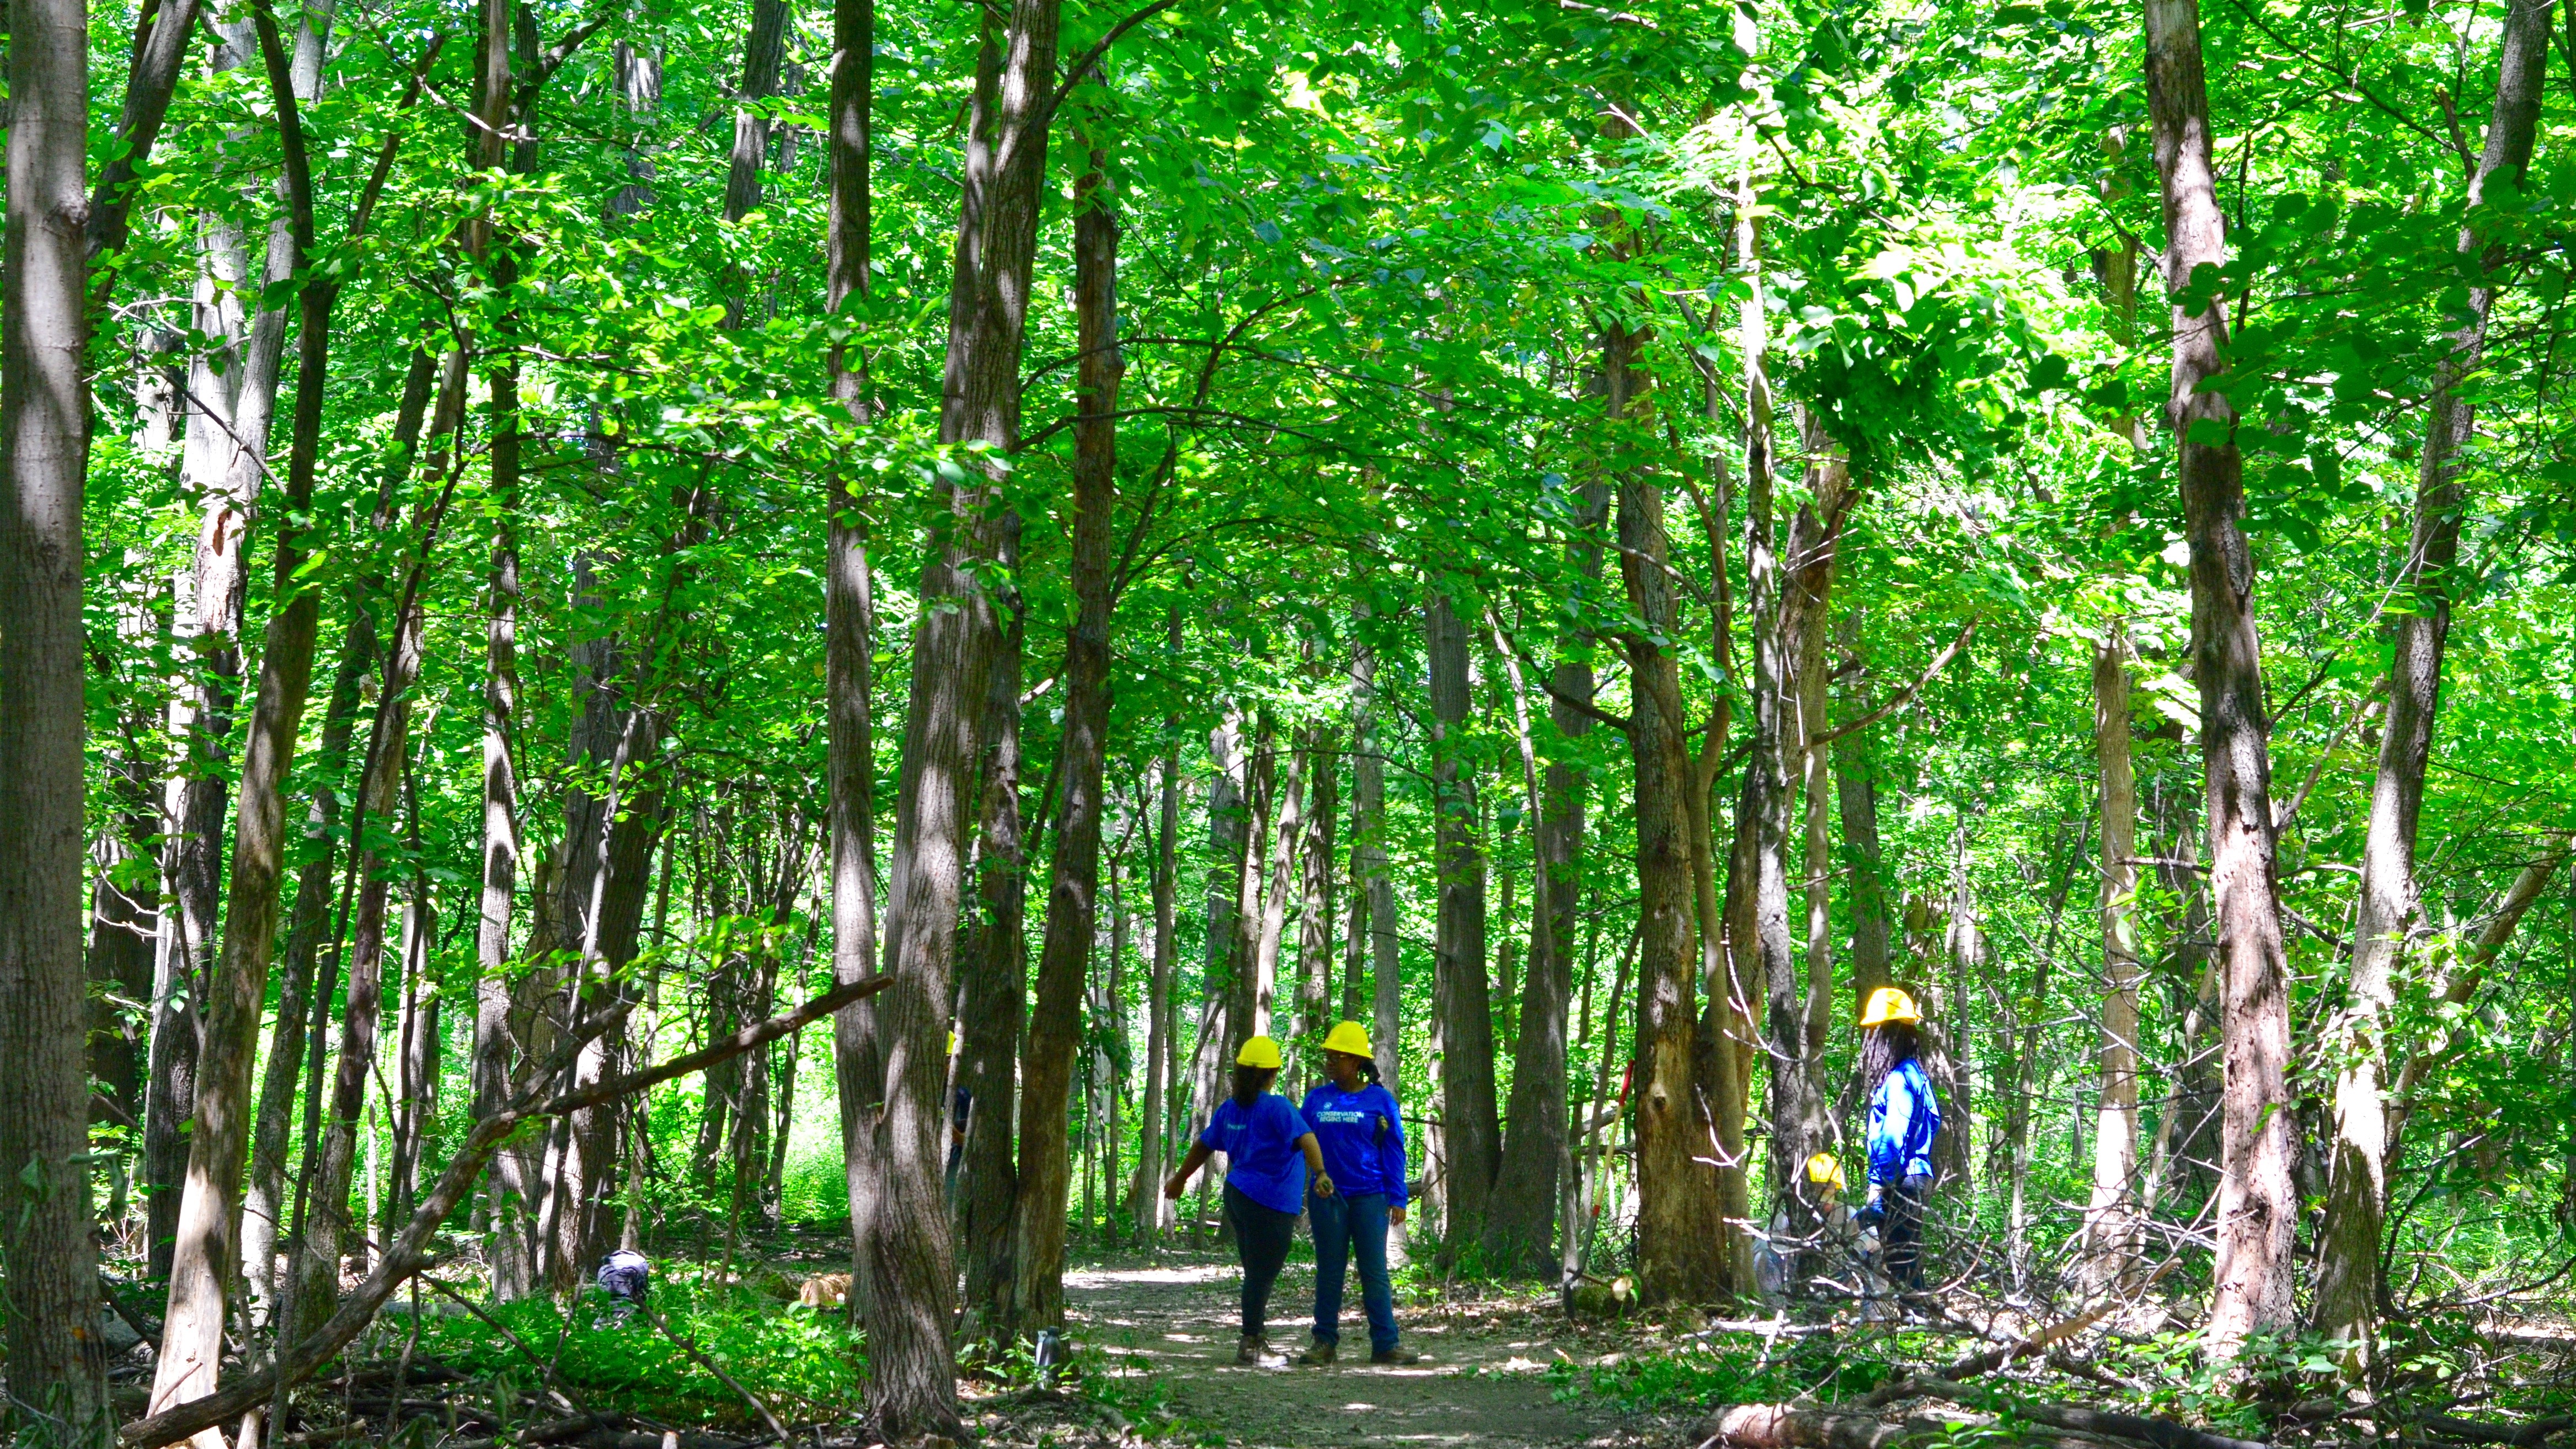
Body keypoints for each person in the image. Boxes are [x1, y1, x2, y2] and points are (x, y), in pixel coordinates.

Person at [1166, 1036, 1335, 1364]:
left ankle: (1254, 1339)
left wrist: (1180, 1178)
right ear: (1272, 1075)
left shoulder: (1231, 1109)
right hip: (1269, 1203)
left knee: (1256, 1271)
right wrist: (1322, 1173)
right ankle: (1252, 1344)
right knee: (1261, 1273)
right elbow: (1307, 1137)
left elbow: (1204, 1145)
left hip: (1238, 1197)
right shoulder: (1276, 1107)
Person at [1296, 1022, 1421, 1366]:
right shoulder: (1317, 1099)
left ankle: (1385, 1344)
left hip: (1371, 1197)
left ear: (1356, 1062)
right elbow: (1300, 1143)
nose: (1331, 1062)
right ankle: (1324, 1343)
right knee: (1330, 1270)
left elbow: (1395, 1149)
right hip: (1328, 1198)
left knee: (1374, 1270)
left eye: (1338, 1056)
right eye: (1328, 1056)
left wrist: (1398, 1197)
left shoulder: (1380, 1100)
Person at [1856, 987, 1942, 1300]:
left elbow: (1894, 1135)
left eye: (1874, 1033)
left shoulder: (1899, 1079)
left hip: (1901, 1181)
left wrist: (1878, 1186)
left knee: (1901, 1263)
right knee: (1906, 1262)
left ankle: (1917, 1322)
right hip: (1913, 1178)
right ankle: (1916, 1323)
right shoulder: (1915, 1075)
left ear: (1886, 1035)